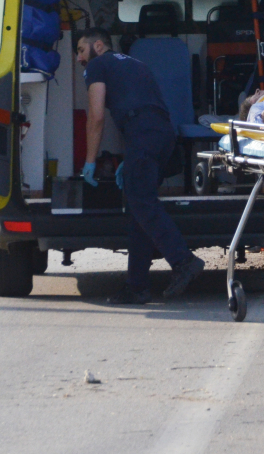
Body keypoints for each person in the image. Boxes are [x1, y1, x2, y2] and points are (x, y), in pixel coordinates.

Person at [75, 27, 204, 304]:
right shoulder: (135, 63)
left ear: (98, 46)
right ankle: (137, 286)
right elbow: (143, 107)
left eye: (80, 50)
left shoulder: (98, 65)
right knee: (138, 210)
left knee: (142, 203)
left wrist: (89, 161)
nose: (78, 58)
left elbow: (96, 117)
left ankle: (184, 261)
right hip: (161, 135)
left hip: (143, 136)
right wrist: (131, 157)